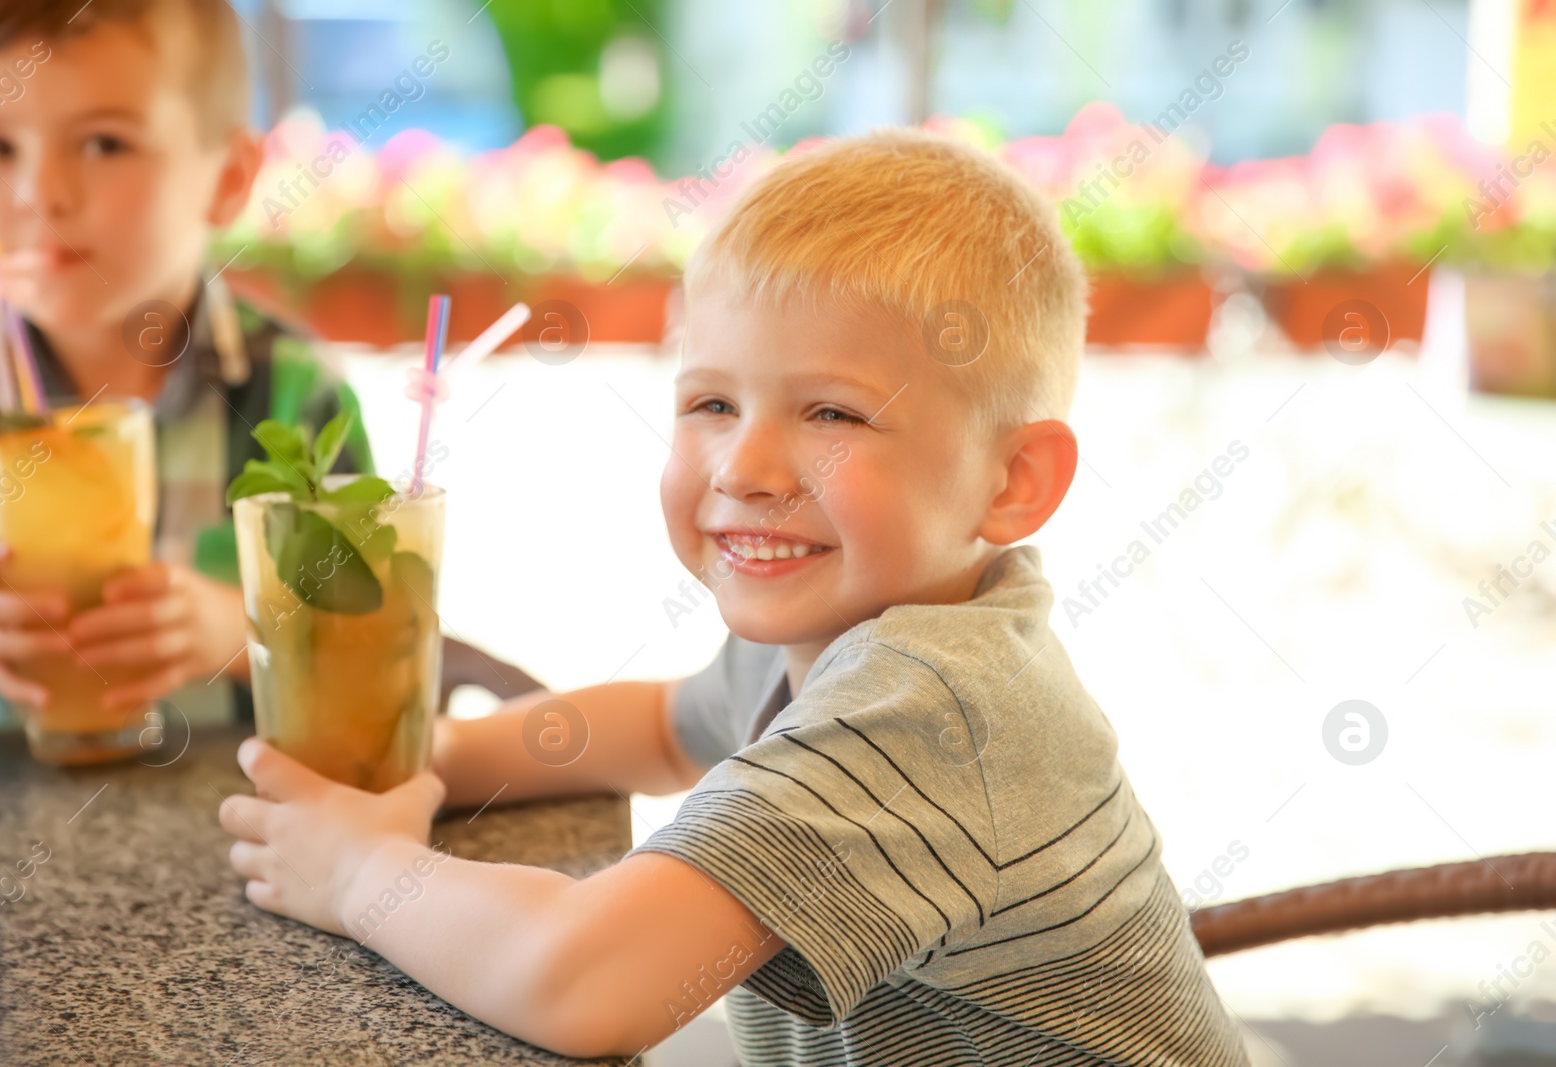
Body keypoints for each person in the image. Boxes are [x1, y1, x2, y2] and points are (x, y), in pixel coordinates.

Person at [218, 130, 1251, 1065]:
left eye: (832, 411)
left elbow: (585, 979)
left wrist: (361, 872)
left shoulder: (933, 705)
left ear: (1011, 479)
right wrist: (433, 760)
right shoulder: (839, 624)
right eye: (712, 400)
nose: (744, 464)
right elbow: (664, 724)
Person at [0, 0, 537, 733]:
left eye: (104, 143)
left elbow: (365, 634)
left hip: (236, 810)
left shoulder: (292, 388)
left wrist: (238, 628)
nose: (39, 194)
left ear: (229, 178)